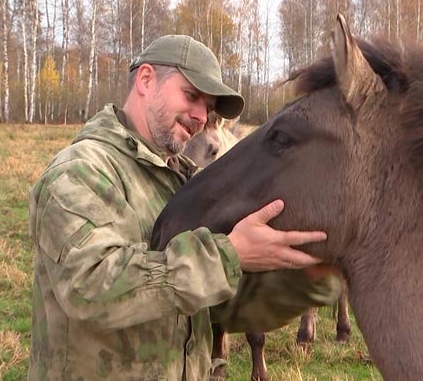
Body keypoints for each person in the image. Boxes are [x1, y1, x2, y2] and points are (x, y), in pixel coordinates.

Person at [27, 35, 341, 380]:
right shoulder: (80, 171)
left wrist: (310, 277)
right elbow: (88, 290)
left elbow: (221, 308)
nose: (201, 116)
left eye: (207, 106)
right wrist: (228, 256)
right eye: (191, 96)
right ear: (146, 80)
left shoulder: (184, 183)